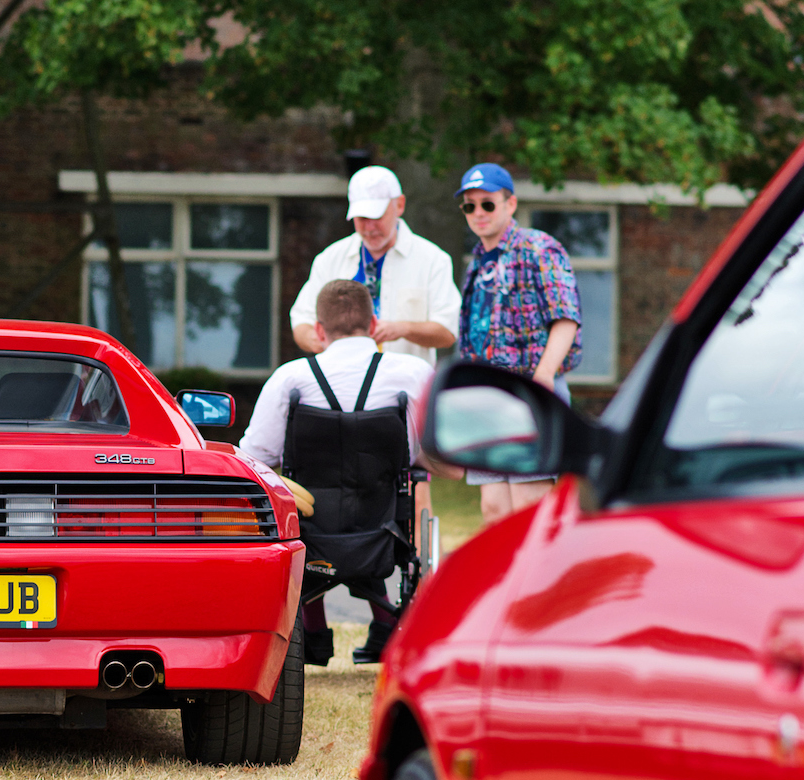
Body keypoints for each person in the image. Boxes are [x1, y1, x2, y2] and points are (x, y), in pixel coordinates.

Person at [241, 280, 433, 666]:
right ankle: (386, 626)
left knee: (311, 508)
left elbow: (254, 456)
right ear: (373, 323)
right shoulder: (412, 373)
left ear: (319, 330)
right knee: (381, 496)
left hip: (312, 528)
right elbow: (424, 452)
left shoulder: (290, 378)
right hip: (385, 530)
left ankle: (313, 634)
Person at [453, 162, 580, 522]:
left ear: (510, 204)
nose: (478, 213)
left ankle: (543, 578)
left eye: (487, 203)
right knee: (494, 509)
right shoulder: (477, 261)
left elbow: (566, 317)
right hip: (487, 398)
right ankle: (510, 579)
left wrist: (543, 377)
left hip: (528, 391)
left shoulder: (539, 247)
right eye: (469, 205)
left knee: (529, 503)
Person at [287, 165, 459, 364]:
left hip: (404, 387)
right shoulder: (330, 258)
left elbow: (447, 333)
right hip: (343, 388)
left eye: (377, 217)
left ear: (400, 205)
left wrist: (402, 329)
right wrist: (318, 340)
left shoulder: (433, 260)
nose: (369, 227)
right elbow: (301, 322)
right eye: (361, 218)